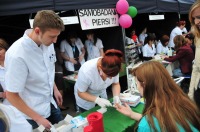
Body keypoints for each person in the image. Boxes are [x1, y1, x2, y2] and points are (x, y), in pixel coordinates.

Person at [4, 10, 65, 130]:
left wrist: (55, 89)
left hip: (50, 103)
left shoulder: (48, 43)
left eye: (57, 36)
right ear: (37, 31)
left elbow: (48, 69)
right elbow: (11, 95)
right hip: (32, 114)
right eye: (52, 36)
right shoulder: (17, 54)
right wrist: (38, 118)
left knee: (64, 128)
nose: (55, 41)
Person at [115, 61, 200, 131]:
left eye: (136, 82)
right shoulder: (184, 102)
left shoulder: (147, 125)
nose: (136, 86)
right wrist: (132, 114)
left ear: (144, 86)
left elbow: (154, 123)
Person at [188, 0, 200, 109]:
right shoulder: (198, 38)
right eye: (194, 19)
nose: (196, 22)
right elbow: (196, 67)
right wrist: (191, 96)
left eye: (199, 17)